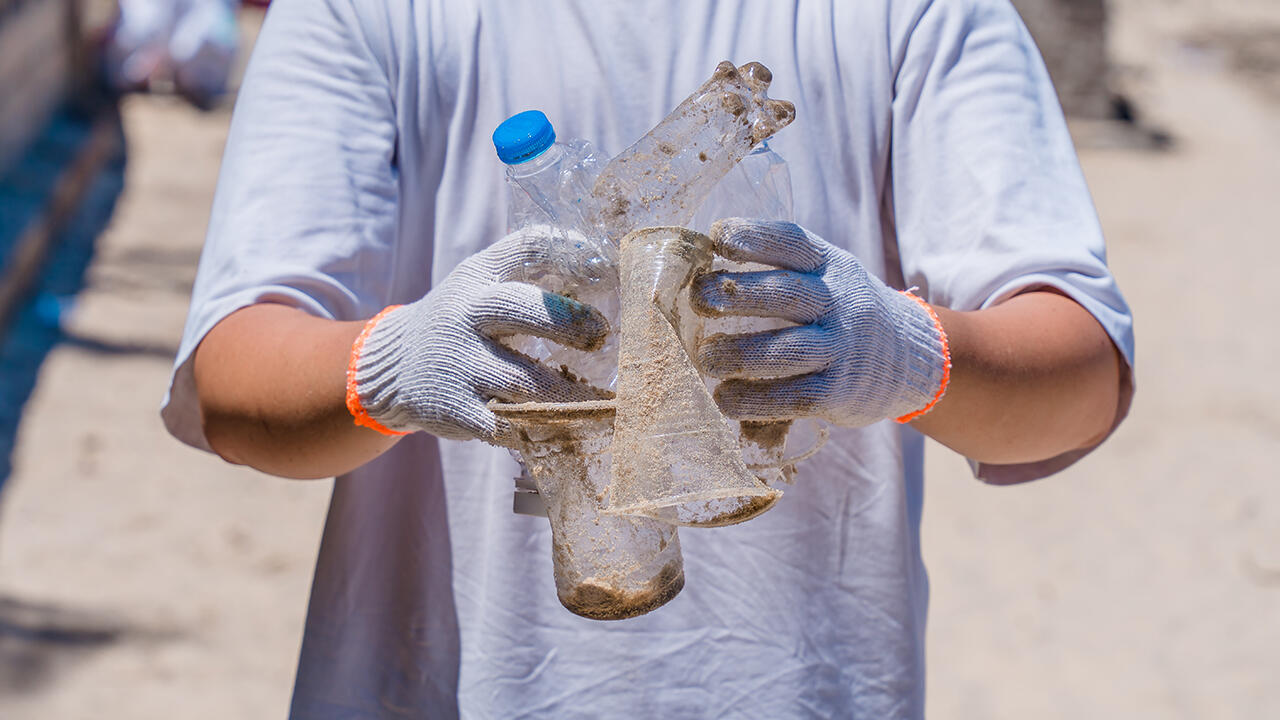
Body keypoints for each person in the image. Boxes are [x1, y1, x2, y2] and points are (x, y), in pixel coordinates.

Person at [162, 0, 1135, 716]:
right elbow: (232, 381)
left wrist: (903, 349)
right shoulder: (369, 14)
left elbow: (1081, 375)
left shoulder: (913, 14)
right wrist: (396, 366)